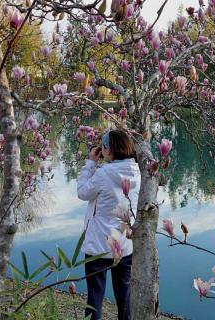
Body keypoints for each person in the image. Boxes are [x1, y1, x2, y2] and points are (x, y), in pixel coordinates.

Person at [77, 130, 141, 320]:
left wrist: (90, 163)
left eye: (104, 147)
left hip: (99, 244)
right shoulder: (138, 172)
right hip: (124, 244)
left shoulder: (103, 173)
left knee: (95, 297)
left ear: (109, 150)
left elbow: (82, 192)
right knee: (124, 295)